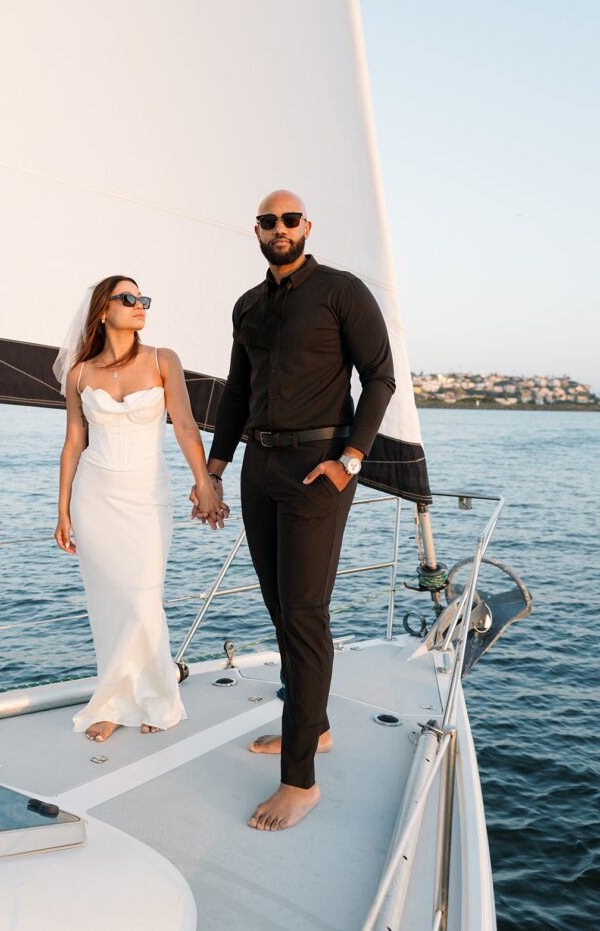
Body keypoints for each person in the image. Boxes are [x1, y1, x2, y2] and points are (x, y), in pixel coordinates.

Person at [194, 191, 395, 830]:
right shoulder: (247, 306)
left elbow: (381, 377)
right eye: (267, 221)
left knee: (305, 612)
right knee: (281, 608)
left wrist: (351, 460)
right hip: (259, 467)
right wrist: (214, 471)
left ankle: (300, 781)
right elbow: (236, 395)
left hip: (319, 469)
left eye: (289, 219)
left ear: (306, 226)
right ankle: (315, 726)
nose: (278, 229)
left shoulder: (342, 291)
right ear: (255, 230)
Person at [54, 275, 227, 742]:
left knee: (142, 597)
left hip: (148, 496)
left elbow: (186, 426)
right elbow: (73, 443)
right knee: (108, 601)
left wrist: (206, 484)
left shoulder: (161, 359)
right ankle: (112, 702)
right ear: (103, 310)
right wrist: (63, 510)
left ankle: (156, 695)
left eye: (143, 299)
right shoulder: (79, 373)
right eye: (128, 298)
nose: (139, 305)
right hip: (95, 495)